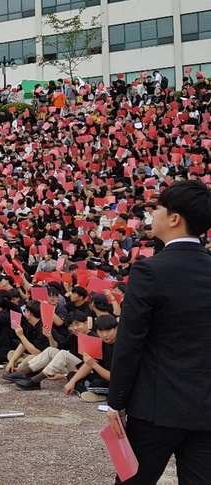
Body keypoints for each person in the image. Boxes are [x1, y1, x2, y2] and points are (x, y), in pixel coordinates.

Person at [106, 180, 211, 484]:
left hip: (155, 408)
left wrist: (116, 402)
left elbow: (129, 342)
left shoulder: (150, 270)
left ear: (175, 218)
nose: (152, 216)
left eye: (157, 209)